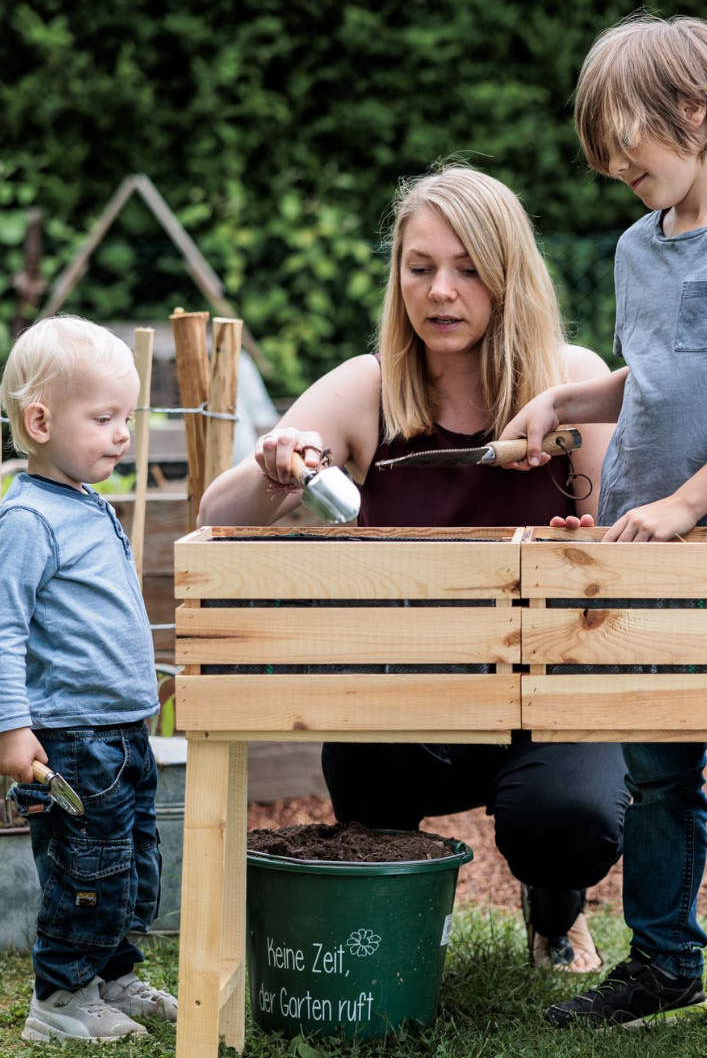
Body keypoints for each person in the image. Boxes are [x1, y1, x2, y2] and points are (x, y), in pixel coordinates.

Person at [198, 164, 629, 973]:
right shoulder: (370, 387)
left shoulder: (571, 383)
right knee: (368, 754)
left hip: (547, 699)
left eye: (468, 270)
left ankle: (555, 905)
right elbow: (218, 520)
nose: (440, 292)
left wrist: (582, 551)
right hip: (405, 704)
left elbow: (618, 559)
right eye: (420, 267)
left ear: (510, 279)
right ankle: (396, 911)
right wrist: (275, 469)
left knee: (569, 818)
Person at [499, 14, 707, 1042]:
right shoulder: (638, 250)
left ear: (694, 113)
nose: (615, 172)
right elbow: (659, 381)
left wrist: (691, 505)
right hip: (642, 561)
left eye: (626, 149)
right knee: (653, 779)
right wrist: (562, 405)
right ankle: (662, 965)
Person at [0, 317, 178, 1042]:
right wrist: (12, 728)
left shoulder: (88, 502)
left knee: (132, 865)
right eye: (103, 418)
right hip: (71, 740)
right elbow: (4, 629)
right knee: (88, 870)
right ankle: (60, 998)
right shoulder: (26, 519)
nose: (122, 434)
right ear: (39, 421)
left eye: (126, 418)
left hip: (121, 732)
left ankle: (111, 975)